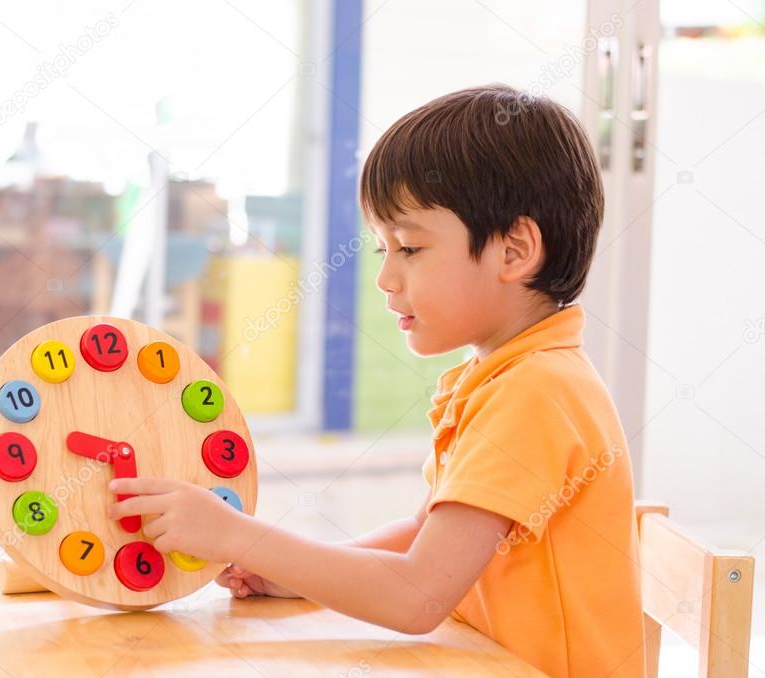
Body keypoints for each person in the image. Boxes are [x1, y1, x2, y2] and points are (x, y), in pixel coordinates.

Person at [109, 84, 645, 678]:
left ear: (514, 251)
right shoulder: (509, 375)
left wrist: (238, 536)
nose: (385, 277)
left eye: (410, 247)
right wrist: (298, 573)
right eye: (382, 248)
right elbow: (427, 532)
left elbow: (417, 597)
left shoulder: (536, 392)